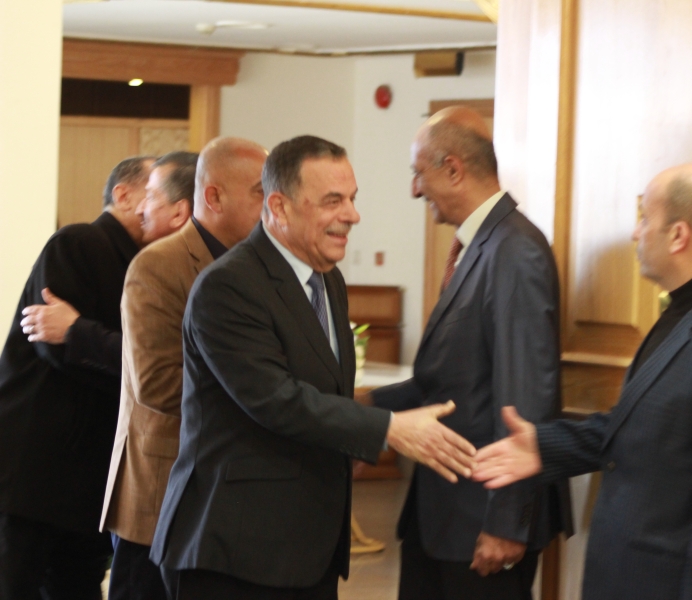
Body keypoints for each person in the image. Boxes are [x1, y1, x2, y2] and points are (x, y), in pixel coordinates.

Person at [149, 135, 476, 599]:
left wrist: (356, 432)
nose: (352, 215)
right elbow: (276, 400)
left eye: (352, 199)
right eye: (332, 201)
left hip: (305, 550)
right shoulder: (228, 286)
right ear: (279, 207)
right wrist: (388, 429)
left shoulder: (328, 280)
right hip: (234, 552)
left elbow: (325, 391)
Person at [473, 163, 692, 600]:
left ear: (678, 235)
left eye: (644, 219)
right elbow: (638, 429)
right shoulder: (688, 310)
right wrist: (543, 445)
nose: (636, 233)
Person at [366, 106, 571, 600]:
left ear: (453, 169)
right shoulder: (482, 246)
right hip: (444, 516)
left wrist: (507, 522)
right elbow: (449, 383)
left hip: (481, 524)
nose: (414, 189)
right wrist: (363, 411)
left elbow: (525, 401)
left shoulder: (514, 250)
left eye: (418, 173)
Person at [100, 139, 264, 600]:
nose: (273, 205)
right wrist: (264, 398)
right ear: (213, 197)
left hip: (228, 494)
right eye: (260, 192)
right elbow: (156, 384)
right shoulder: (158, 265)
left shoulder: (258, 267)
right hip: (161, 491)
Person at [0, 156, 154, 599]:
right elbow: (53, 345)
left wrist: (85, 336)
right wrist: (132, 369)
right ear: (123, 195)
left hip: (87, 478)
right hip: (35, 472)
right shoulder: (80, 241)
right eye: (154, 192)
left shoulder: (148, 265)